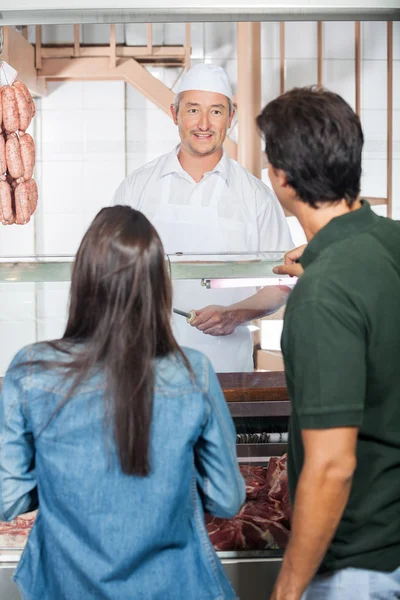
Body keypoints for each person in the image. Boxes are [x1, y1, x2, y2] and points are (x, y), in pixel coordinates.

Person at [0, 206, 246, 600]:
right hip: (175, 587)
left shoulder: (31, 369)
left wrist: (62, 478)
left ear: (82, 281)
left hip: (64, 587)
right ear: (157, 287)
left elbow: (7, 496)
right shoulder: (192, 371)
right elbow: (227, 498)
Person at [256, 86, 400, 600]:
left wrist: (288, 589)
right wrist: (321, 259)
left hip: (361, 565)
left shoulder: (322, 296)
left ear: (281, 178)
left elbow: (332, 465)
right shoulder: (388, 241)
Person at [114, 63, 294, 373]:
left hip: (225, 366)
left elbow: (281, 283)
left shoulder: (256, 196)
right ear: (175, 114)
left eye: (216, 111)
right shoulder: (136, 187)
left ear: (231, 117)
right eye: (193, 110)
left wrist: (235, 314)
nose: (204, 124)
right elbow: (112, 271)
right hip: (146, 361)